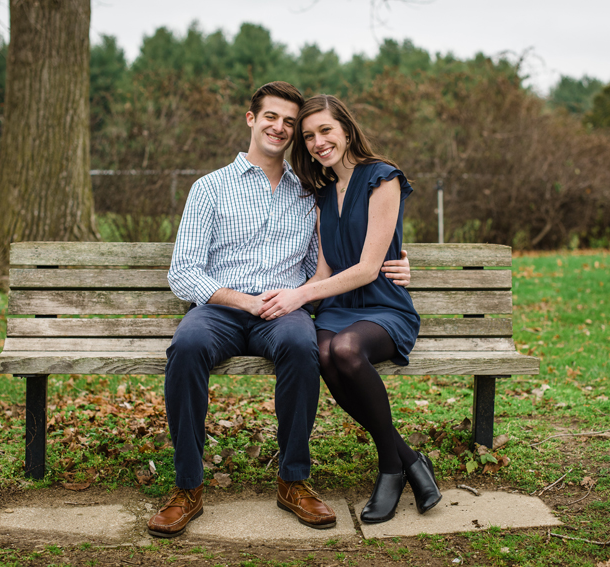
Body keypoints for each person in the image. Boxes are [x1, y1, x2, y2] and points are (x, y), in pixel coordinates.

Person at [147, 82, 411, 538]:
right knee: (186, 346)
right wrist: (243, 300)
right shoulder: (210, 188)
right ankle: (187, 487)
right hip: (221, 308)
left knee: (300, 343)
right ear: (251, 119)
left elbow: (326, 265)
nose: (281, 128)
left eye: (291, 123)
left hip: (285, 309)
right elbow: (184, 271)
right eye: (272, 117)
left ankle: (293, 480)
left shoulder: (309, 192)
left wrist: (402, 261)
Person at [258, 94, 441, 524]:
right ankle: (411, 458)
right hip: (338, 308)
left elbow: (368, 267)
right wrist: (286, 298)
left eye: (325, 130)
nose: (319, 142)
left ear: (345, 128)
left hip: (382, 306)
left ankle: (391, 467)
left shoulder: (383, 178)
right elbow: (323, 268)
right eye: (309, 137)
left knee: (343, 351)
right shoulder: (320, 193)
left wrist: (299, 297)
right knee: (320, 352)